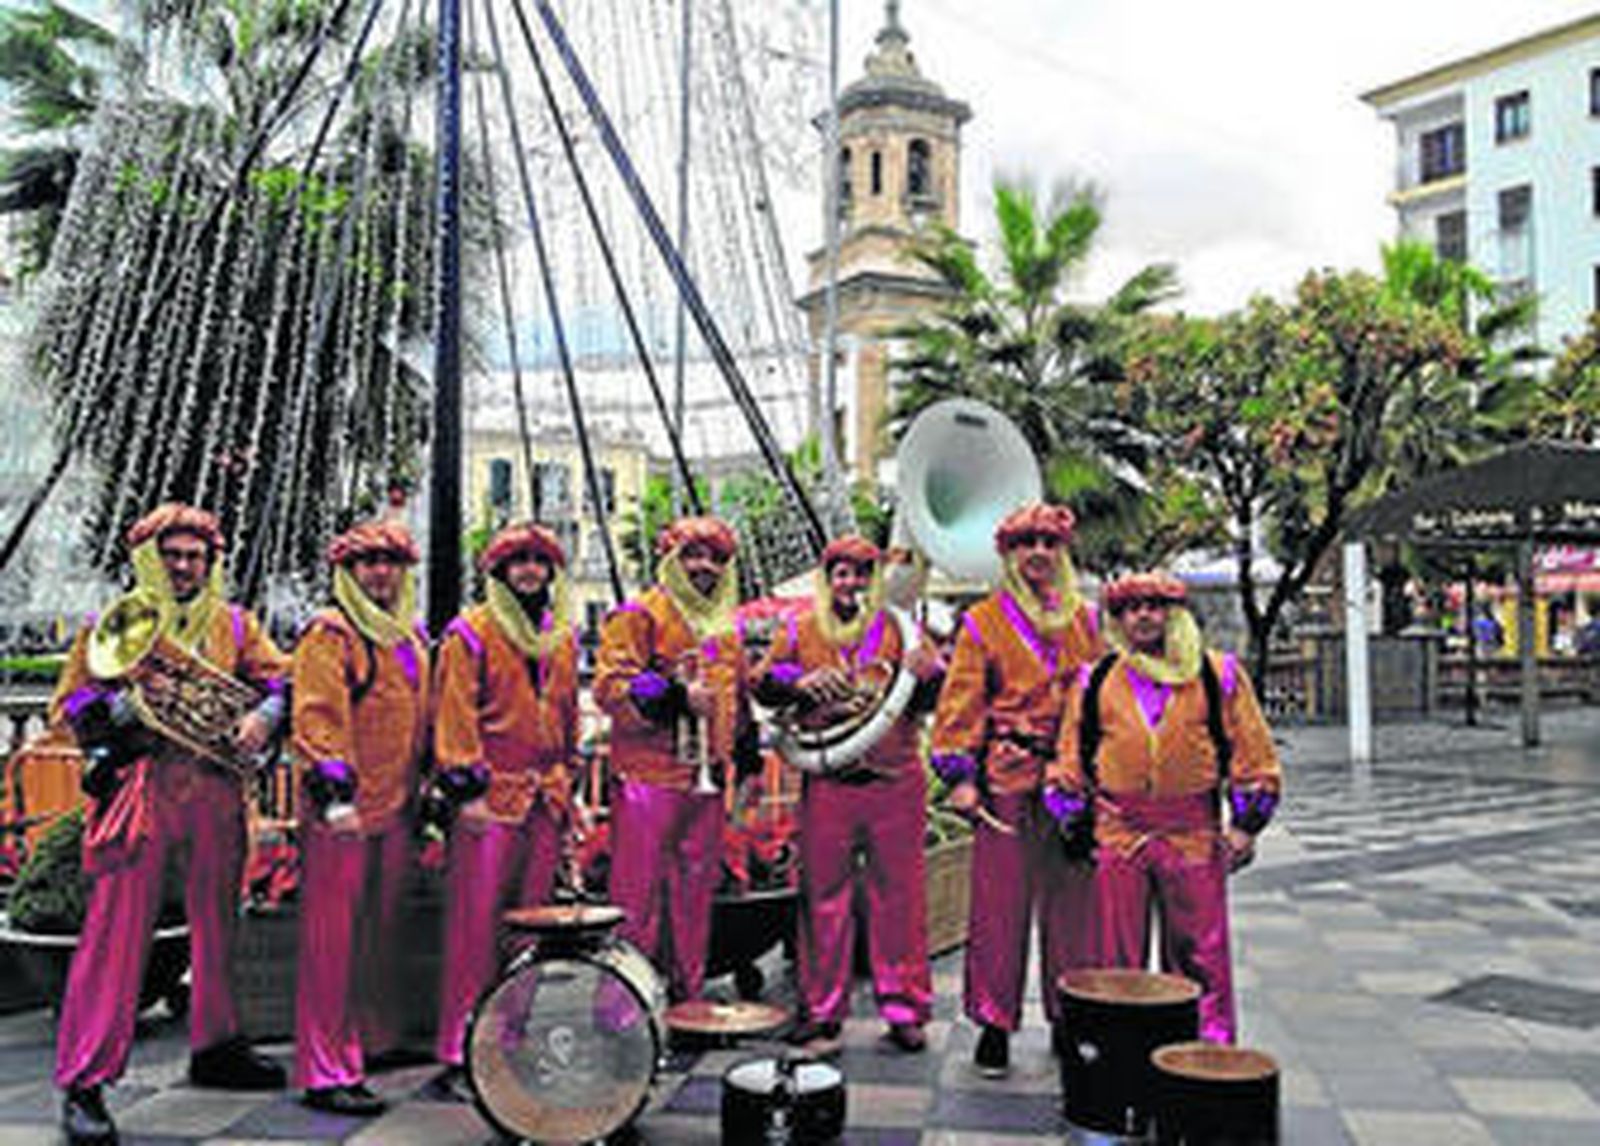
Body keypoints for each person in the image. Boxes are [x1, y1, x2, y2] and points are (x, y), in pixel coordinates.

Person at [53, 503, 289, 1146]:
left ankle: (216, 1046)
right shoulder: (116, 621)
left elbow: (280, 683)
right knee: (115, 934)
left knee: (220, 923)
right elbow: (70, 700)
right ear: (149, 559)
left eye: (196, 556)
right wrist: (117, 712)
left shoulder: (237, 624)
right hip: (142, 790)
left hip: (214, 790)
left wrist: (266, 716)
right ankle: (84, 1081)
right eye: (173, 555)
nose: (184, 566)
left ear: (210, 562)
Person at [1049, 572, 1282, 1044]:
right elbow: (1070, 755)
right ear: (1117, 619)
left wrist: (1245, 825)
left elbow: (1253, 754)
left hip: (1192, 833)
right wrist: (1071, 815)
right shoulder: (1095, 681)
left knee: (1201, 951)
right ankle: (1124, 1050)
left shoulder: (1219, 674)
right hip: (1119, 834)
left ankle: (1205, 1051)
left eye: (1154, 605)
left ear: (1173, 613)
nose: (1144, 615)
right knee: (1116, 953)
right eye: (1132, 607)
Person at [929, 502, 1104, 1077]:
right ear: (1008, 553)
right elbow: (959, 703)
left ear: (1062, 552)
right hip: (1005, 780)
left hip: (1073, 783)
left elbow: (1104, 702)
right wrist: (960, 778)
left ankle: (1068, 1015)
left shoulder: (1087, 621)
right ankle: (994, 1023)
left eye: (1048, 543)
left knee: (1074, 909)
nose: (1038, 553)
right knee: (1000, 906)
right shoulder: (981, 621)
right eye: (1026, 542)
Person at [757, 535, 943, 1055]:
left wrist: (928, 674)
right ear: (827, 578)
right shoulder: (800, 626)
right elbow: (763, 682)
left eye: (863, 573)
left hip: (894, 780)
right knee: (823, 897)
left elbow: (931, 696)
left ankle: (905, 1008)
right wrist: (800, 684)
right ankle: (821, 1012)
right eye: (842, 573)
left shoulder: (903, 629)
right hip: (830, 781)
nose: (852, 583)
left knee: (900, 897)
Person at [427, 523, 580, 1100]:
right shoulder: (471, 632)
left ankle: (512, 1040)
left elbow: (566, 721)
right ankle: (460, 1048)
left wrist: (569, 792)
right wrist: (463, 792)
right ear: (499, 572)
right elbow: (455, 717)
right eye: (518, 563)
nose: (530, 573)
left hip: (544, 798)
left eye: (540, 563)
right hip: (489, 797)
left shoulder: (559, 637)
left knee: (530, 927)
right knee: (474, 925)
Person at [290, 520, 430, 1116]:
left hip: (395, 810)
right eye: (369, 562)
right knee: (332, 942)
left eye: (392, 562)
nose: (381, 573)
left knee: (377, 933)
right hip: (341, 815)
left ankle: (372, 1041)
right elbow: (317, 720)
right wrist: (336, 797)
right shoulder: (330, 633)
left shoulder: (410, 637)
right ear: (347, 573)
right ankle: (325, 1068)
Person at [593, 515, 755, 1001]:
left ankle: (687, 995)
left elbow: (738, 694)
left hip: (703, 780)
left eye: (714, 557)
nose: (703, 566)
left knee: (694, 894)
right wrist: (675, 696)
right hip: (649, 777)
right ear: (670, 560)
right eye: (692, 555)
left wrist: (743, 751)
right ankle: (628, 1005)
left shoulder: (725, 626)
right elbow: (609, 687)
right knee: (636, 896)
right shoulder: (639, 613)